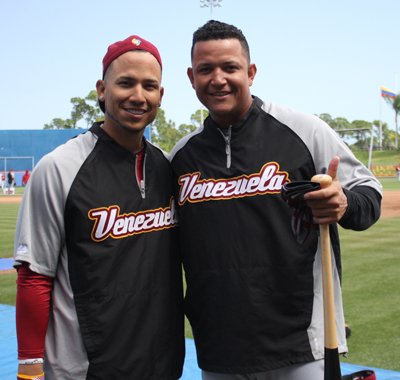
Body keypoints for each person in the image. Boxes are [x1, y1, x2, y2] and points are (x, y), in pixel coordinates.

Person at [170, 21, 382, 380]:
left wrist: (344, 202)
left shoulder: (303, 129)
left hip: (298, 343)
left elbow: (370, 194)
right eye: (206, 69)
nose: (218, 78)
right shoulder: (181, 156)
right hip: (219, 346)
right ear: (191, 77)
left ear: (250, 73)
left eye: (230, 67)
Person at [14, 35, 185, 380]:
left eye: (149, 86)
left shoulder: (169, 168)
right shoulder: (60, 167)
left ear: (160, 97)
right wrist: (30, 367)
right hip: (86, 368)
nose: (138, 96)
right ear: (102, 89)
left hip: (162, 364)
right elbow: (34, 275)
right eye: (125, 83)